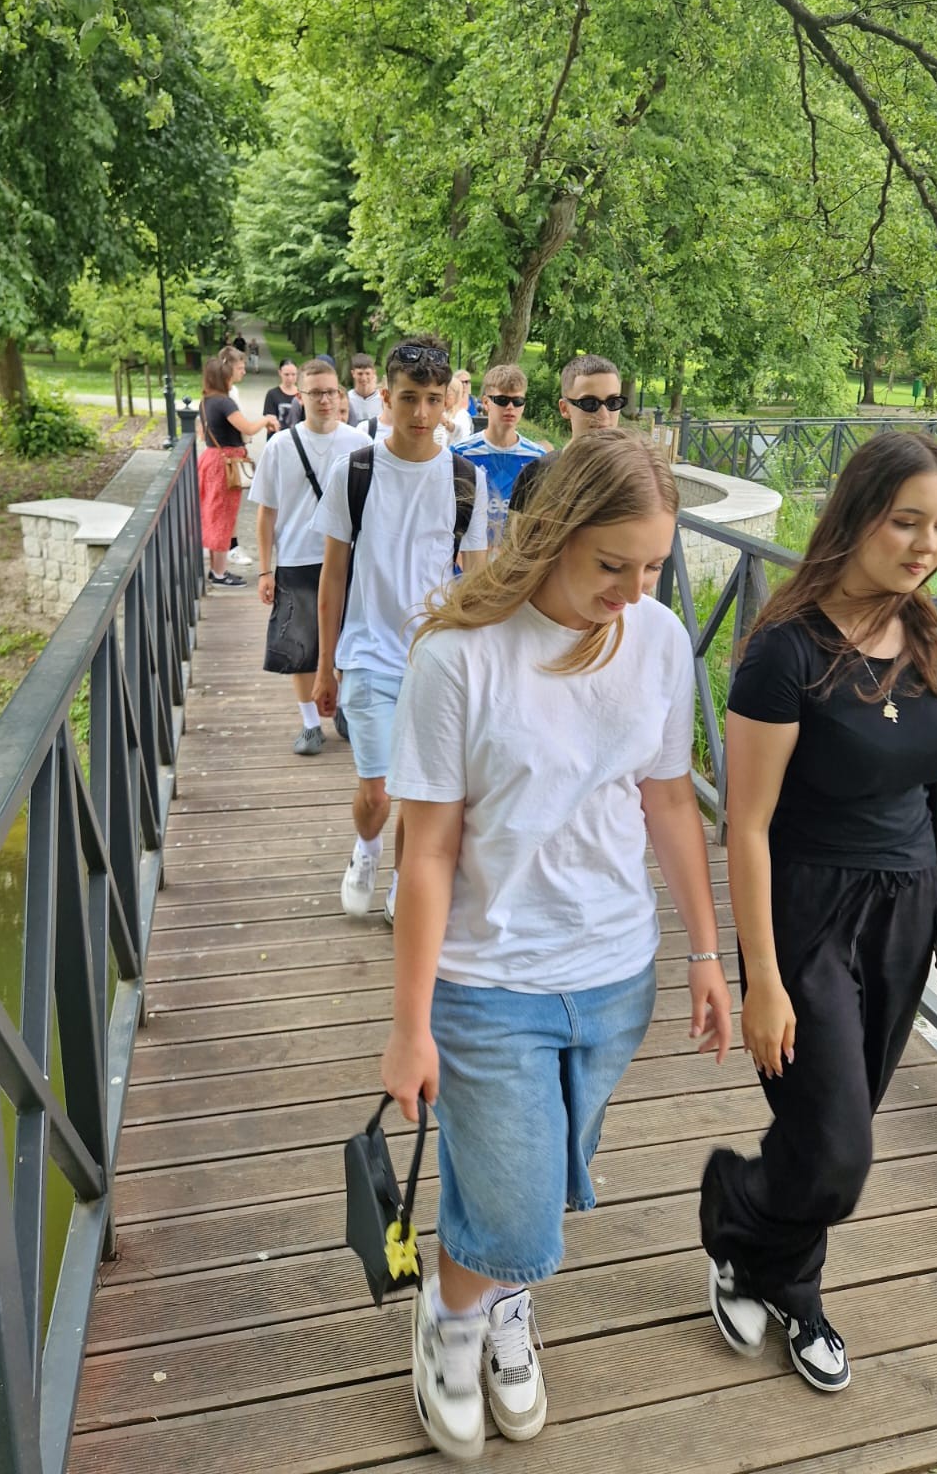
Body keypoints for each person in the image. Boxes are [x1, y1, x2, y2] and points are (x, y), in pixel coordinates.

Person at [382, 429, 733, 1461]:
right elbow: (427, 852)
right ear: (551, 535)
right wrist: (409, 1025)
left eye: (654, 567)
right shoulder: (459, 656)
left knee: (532, 1175)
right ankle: (453, 1323)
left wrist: (705, 953)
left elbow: (669, 800)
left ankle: (499, 1299)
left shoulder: (658, 640)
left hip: (615, 972)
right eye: (612, 565)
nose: (635, 592)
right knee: (522, 1200)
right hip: (489, 978)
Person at [701, 430, 937, 1396]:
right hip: (807, 911)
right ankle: (745, 1223)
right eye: (906, 522)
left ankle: (760, 1264)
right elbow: (745, 826)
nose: (926, 545)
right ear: (857, 516)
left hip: (906, 911)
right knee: (838, 1147)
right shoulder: (784, 650)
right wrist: (763, 980)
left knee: (831, 1124)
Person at [311, 336, 488, 921]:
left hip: (435, 663)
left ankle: (400, 886)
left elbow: (476, 584)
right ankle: (366, 849)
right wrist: (325, 666)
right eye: (409, 398)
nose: (421, 413)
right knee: (378, 793)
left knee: (417, 797)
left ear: (447, 402)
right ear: (386, 398)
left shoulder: (466, 480)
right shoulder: (355, 472)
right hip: (367, 656)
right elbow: (333, 577)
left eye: (433, 399)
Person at [251, 359, 370, 754]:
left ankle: (343, 707)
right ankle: (309, 724)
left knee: (349, 640)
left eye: (331, 392)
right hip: (297, 558)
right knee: (299, 646)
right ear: (300, 397)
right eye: (316, 392)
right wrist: (264, 570)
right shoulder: (281, 446)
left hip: (348, 557)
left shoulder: (358, 443)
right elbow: (266, 512)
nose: (325, 400)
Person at [507, 354, 628, 515]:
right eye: (589, 403)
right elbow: (517, 530)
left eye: (613, 402)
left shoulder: (636, 477)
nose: (604, 415)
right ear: (565, 408)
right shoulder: (536, 475)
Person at [197, 355, 279, 587]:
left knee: (214, 513)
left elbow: (202, 433)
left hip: (211, 458)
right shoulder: (225, 403)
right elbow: (248, 429)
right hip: (225, 463)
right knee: (223, 516)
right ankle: (220, 573)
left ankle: (216, 569)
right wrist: (266, 419)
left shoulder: (205, 401)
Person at [453, 365, 545, 549]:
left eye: (518, 401)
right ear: (486, 403)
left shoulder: (537, 457)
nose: (510, 407)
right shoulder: (461, 453)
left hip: (515, 556)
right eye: (502, 400)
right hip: (469, 556)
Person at [218, 344, 255, 568]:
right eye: (240, 368)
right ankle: (229, 548)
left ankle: (228, 547)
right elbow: (245, 427)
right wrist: (264, 421)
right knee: (227, 505)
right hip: (227, 456)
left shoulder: (230, 392)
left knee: (229, 504)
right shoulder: (225, 396)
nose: (244, 371)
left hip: (231, 452)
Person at [435, 373, 475, 449]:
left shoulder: (462, 415)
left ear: (456, 396)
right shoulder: (440, 411)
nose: (444, 398)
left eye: (448, 395)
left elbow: (461, 434)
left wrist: (446, 423)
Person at [264, 359, 303, 433]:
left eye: (293, 374)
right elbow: (269, 421)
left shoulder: (303, 394)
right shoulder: (272, 394)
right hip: (277, 435)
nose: (290, 378)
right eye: (286, 374)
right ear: (280, 373)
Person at [348, 353, 383, 425]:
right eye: (360, 374)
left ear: (373, 373)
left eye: (367, 373)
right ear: (353, 373)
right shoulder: (347, 399)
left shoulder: (383, 400)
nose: (364, 378)